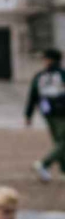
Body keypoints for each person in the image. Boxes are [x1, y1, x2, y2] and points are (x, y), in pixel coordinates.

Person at [27, 48, 65, 182]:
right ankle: (44, 163)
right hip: (61, 113)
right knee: (62, 142)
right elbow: (33, 95)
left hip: (48, 112)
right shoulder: (62, 74)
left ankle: (63, 170)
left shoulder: (40, 75)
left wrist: (28, 114)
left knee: (59, 142)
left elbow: (33, 96)